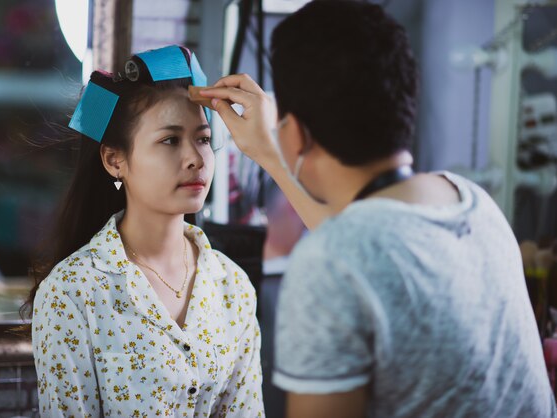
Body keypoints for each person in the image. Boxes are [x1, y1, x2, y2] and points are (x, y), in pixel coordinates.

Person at [199, 1, 556, 417]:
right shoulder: (472, 202)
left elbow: (351, 252)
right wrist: (274, 159)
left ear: (294, 132)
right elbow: (364, 242)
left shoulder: (332, 263)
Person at [25, 45, 264, 417]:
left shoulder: (233, 287)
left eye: (202, 138)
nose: (195, 158)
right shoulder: (71, 293)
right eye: (170, 140)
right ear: (114, 159)